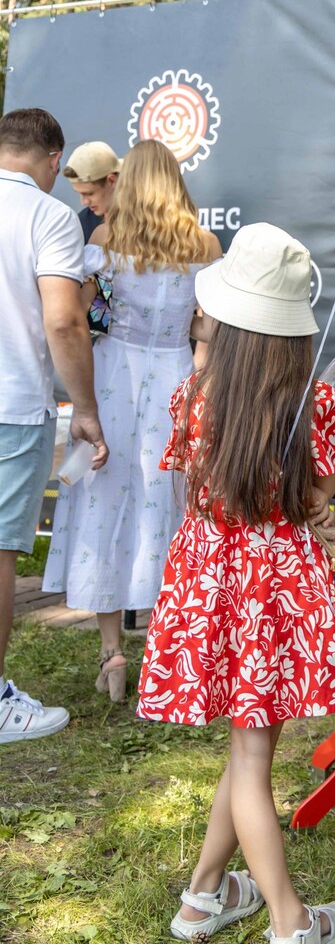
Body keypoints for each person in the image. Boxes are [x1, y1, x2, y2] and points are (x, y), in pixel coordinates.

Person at [136, 222, 335, 944]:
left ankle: (203, 895)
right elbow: (317, 497)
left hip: (209, 579)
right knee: (255, 759)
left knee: (243, 747)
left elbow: (190, 491)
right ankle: (291, 927)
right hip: (273, 586)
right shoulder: (313, 400)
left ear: (222, 322)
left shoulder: (190, 396)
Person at [42, 141, 220, 701]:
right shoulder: (207, 243)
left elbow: (83, 312)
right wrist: (200, 386)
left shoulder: (104, 239)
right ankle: (174, 651)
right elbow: (207, 334)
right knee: (171, 504)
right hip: (175, 378)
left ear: (129, 182)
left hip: (114, 376)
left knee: (106, 498)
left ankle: (112, 652)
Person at [0, 108, 108, 745]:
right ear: (49, 159)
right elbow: (65, 321)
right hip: (10, 405)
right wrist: (86, 410)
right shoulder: (48, 214)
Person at [63, 141, 121, 244]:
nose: (84, 202)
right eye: (79, 193)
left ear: (111, 181)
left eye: (89, 193)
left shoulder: (148, 216)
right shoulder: (82, 224)